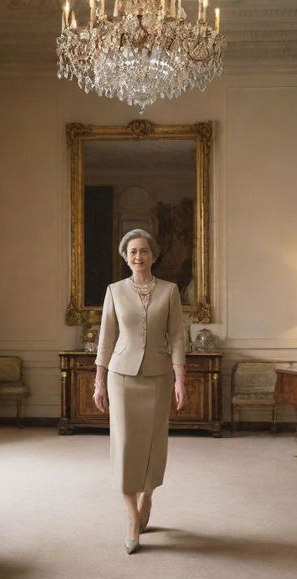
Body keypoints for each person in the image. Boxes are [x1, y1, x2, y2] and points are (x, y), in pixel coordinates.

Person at [93, 229, 186, 554]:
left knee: (153, 443)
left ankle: (147, 497)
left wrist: (180, 380)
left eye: (143, 251)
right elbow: (106, 337)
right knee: (126, 444)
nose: (138, 256)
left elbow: (176, 337)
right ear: (125, 256)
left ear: (153, 255)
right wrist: (98, 381)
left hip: (159, 377)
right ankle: (132, 517)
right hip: (121, 378)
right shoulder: (115, 291)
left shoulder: (169, 291)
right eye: (132, 251)